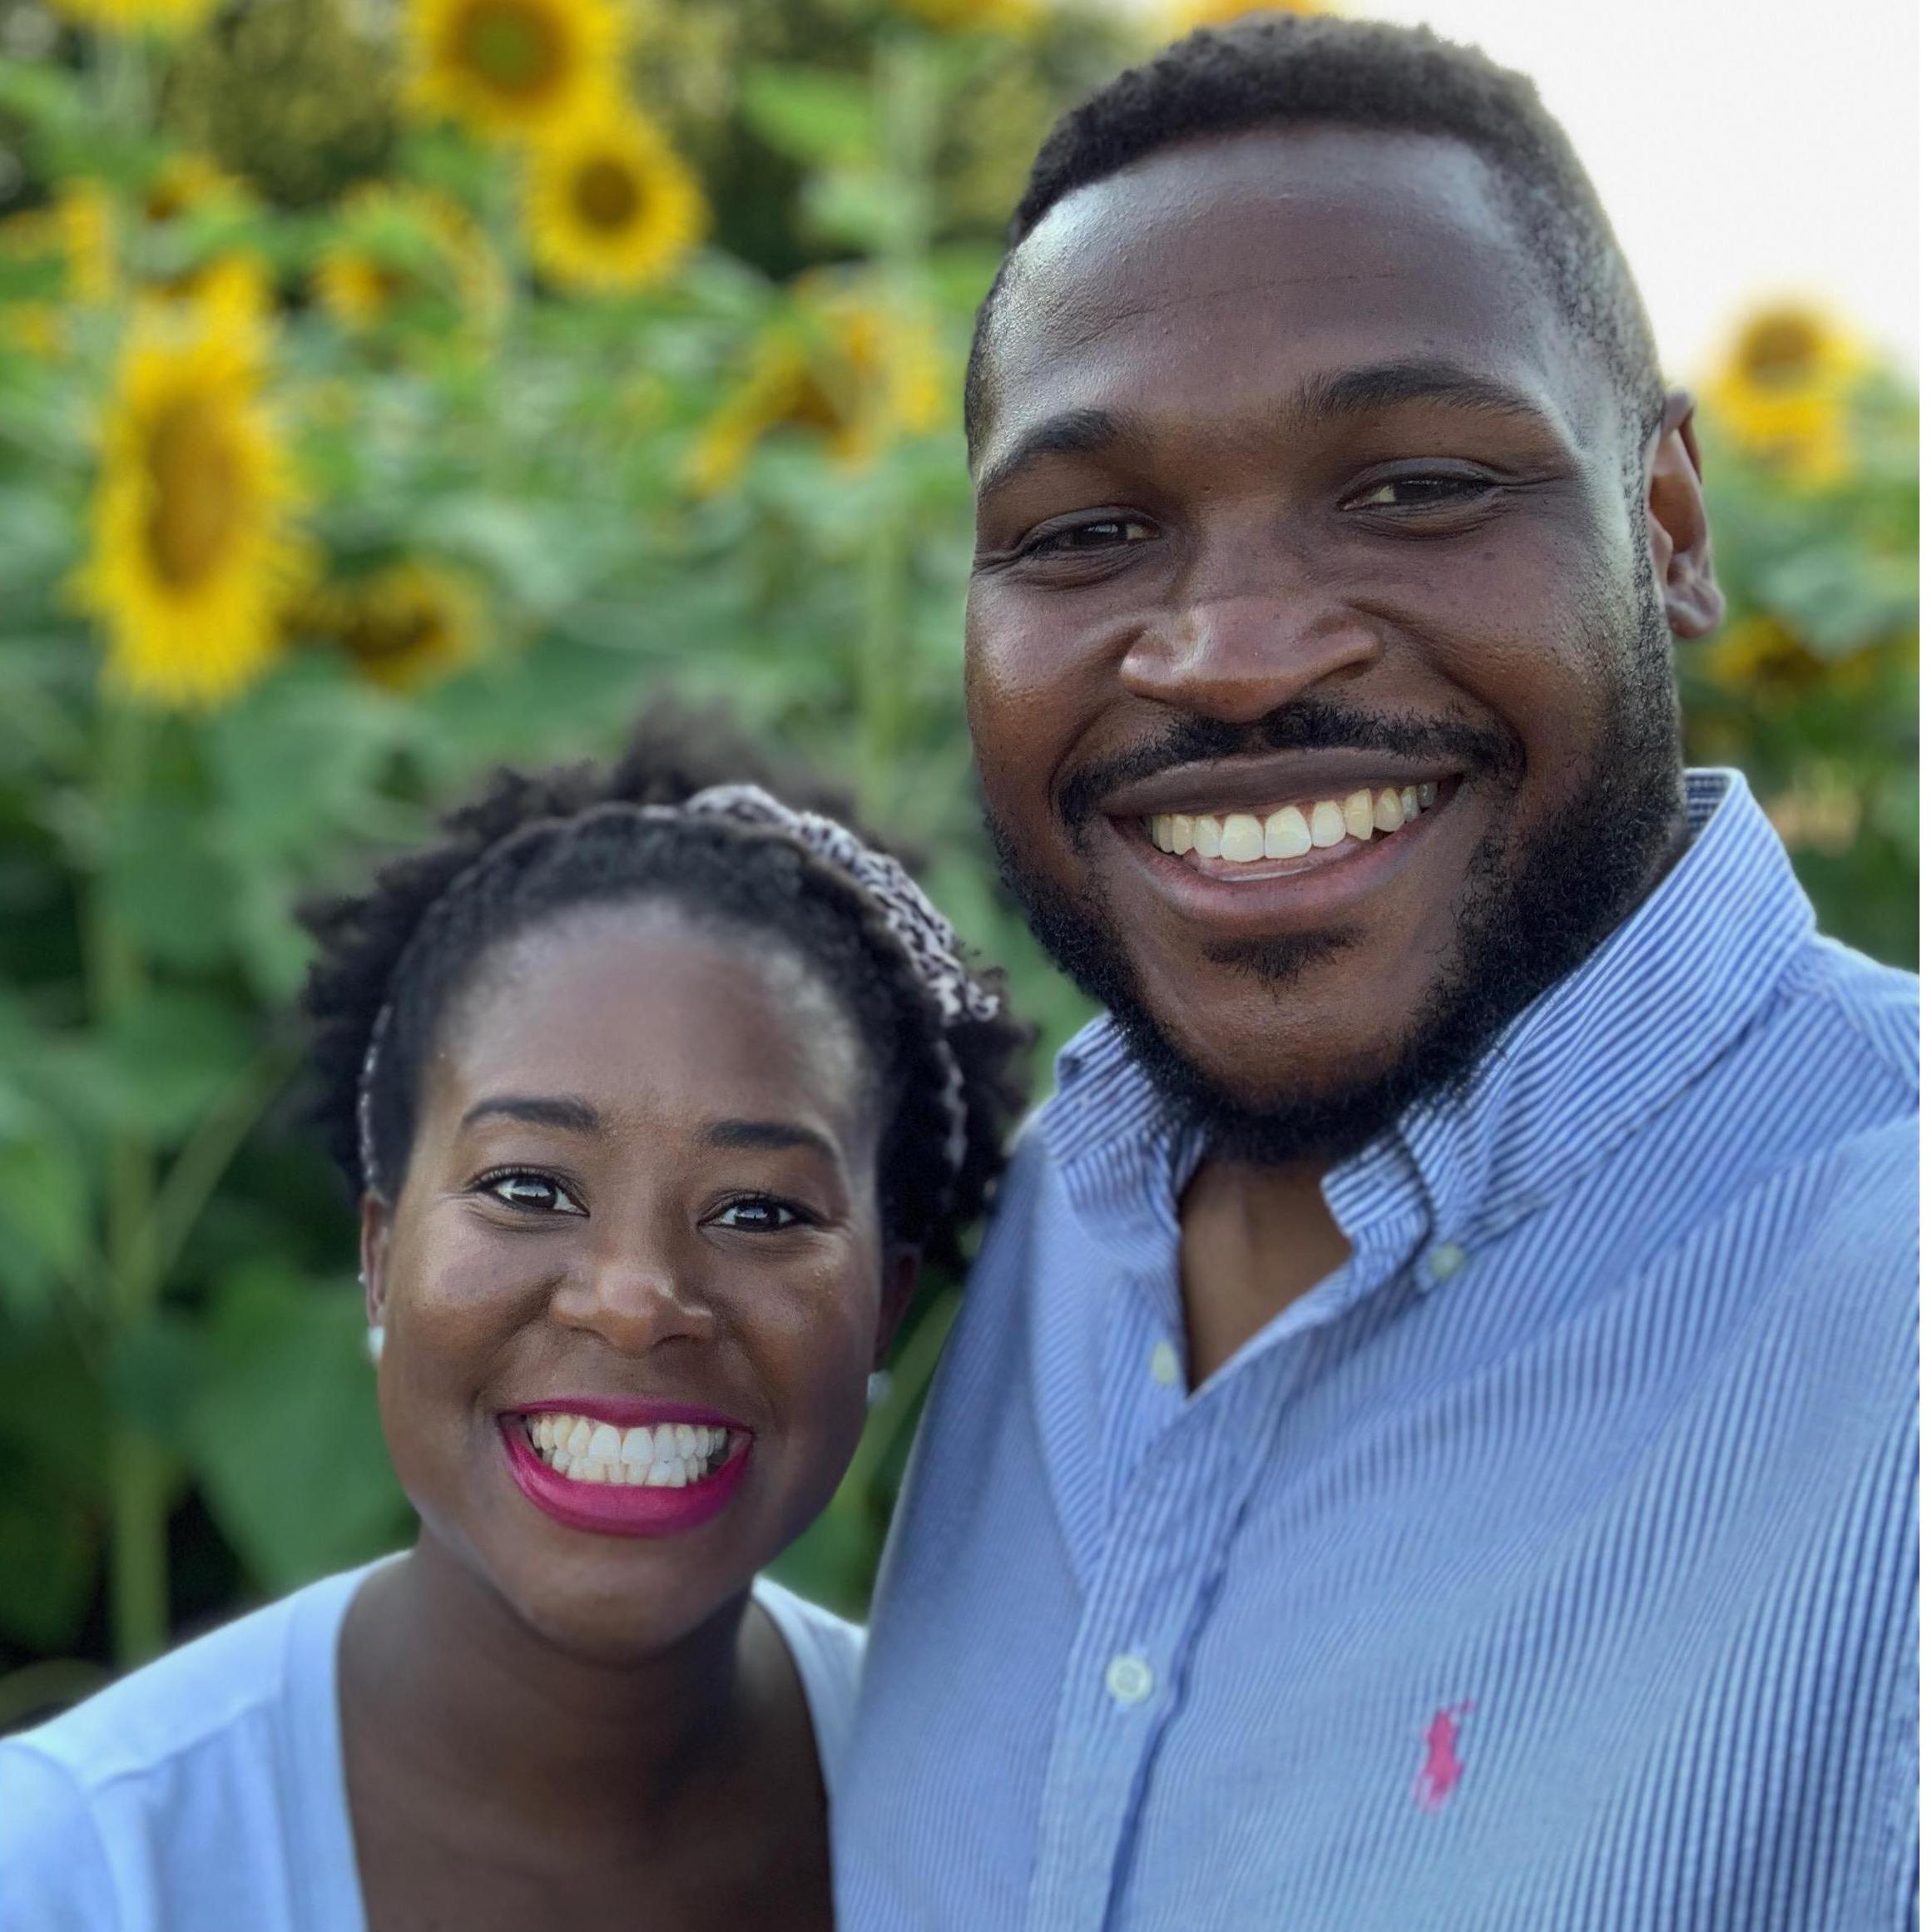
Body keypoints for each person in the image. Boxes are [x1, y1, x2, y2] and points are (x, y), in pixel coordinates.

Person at [837, 16, 1917, 1930]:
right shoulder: (1008, 1228)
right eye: (1085, 533)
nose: (1237, 655)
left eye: (1414, 486)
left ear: (1664, 523)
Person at [0, 711, 1029, 1932]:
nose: (634, 1298)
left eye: (757, 1209)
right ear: (380, 1256)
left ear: (883, 1307)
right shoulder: (79, 1868)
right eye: (528, 1188)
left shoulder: (1014, 1849)